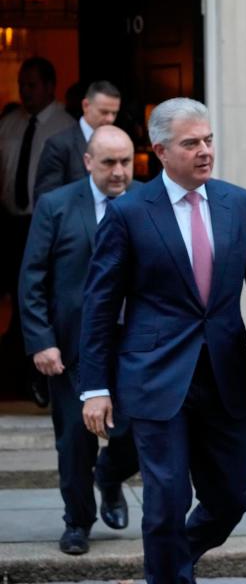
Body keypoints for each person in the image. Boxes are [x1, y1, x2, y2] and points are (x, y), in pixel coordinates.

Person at [79, 98, 246, 584]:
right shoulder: (128, 213)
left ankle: (173, 562)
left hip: (223, 376)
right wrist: (94, 387)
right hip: (155, 378)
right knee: (166, 502)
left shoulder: (238, 203)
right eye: (190, 143)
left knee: (230, 500)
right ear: (160, 150)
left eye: (208, 140)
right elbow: (98, 306)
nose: (205, 151)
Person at [19, 125, 141, 555]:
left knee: (136, 429)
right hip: (70, 348)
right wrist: (40, 341)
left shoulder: (149, 200)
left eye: (126, 161)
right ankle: (77, 521)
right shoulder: (56, 205)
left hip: (134, 346)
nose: (119, 171)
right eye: (109, 162)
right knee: (74, 437)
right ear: (88, 162)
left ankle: (109, 477)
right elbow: (32, 277)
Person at [0, 57, 75, 404]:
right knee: (16, 300)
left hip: (47, 226)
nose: (24, 91)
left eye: (31, 84)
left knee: (41, 298)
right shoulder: (8, 124)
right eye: (22, 84)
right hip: (9, 224)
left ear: (49, 86)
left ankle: (40, 378)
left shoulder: (66, 127)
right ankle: (15, 375)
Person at [35, 81, 122, 200]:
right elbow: (47, 201)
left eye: (114, 113)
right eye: (104, 112)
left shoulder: (118, 143)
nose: (110, 119)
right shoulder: (59, 144)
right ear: (86, 105)